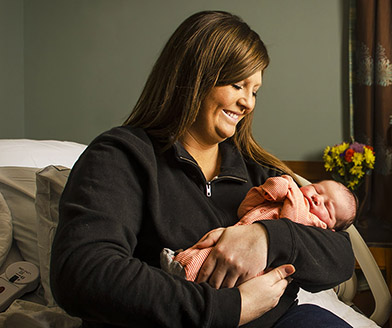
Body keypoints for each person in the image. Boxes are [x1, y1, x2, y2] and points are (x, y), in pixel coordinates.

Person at [50, 11, 355, 328]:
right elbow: (82, 272)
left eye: (254, 91)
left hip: (283, 320)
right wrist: (230, 308)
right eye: (238, 85)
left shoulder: (259, 173)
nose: (248, 103)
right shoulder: (122, 157)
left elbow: (341, 255)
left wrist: (265, 237)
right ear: (193, 76)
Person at [161, 175, 358, 282]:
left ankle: (185, 275)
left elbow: (292, 222)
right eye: (317, 188)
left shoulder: (313, 223)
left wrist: (290, 190)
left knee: (215, 268)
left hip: (259, 271)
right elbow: (245, 208)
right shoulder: (285, 197)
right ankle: (180, 262)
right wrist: (267, 191)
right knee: (208, 251)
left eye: (327, 206)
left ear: (329, 228)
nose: (317, 198)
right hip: (237, 232)